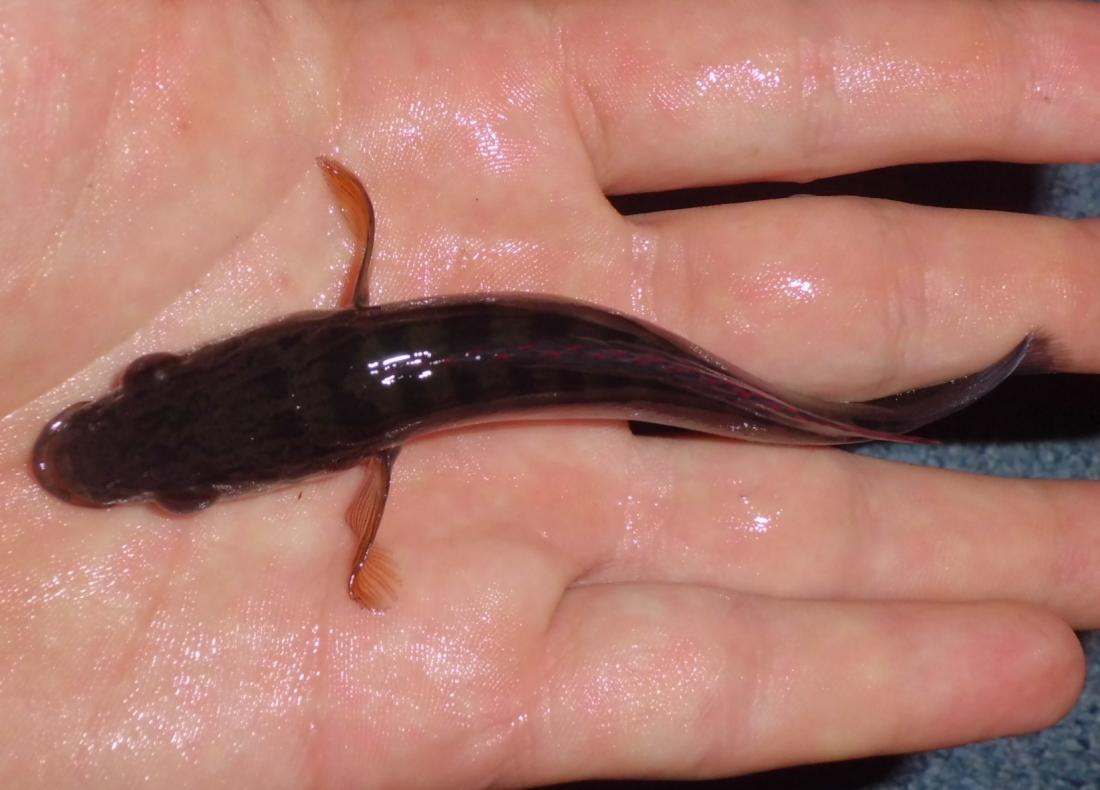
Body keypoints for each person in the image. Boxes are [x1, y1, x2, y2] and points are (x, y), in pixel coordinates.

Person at [1, 0, 1096, 786]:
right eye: (187, 488)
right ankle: (882, 410)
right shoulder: (327, 349)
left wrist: (357, 550)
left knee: (735, 393)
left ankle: (881, 410)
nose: (145, 393)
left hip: (530, 362)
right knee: (733, 395)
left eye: (149, 385)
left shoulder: (346, 446)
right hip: (501, 354)